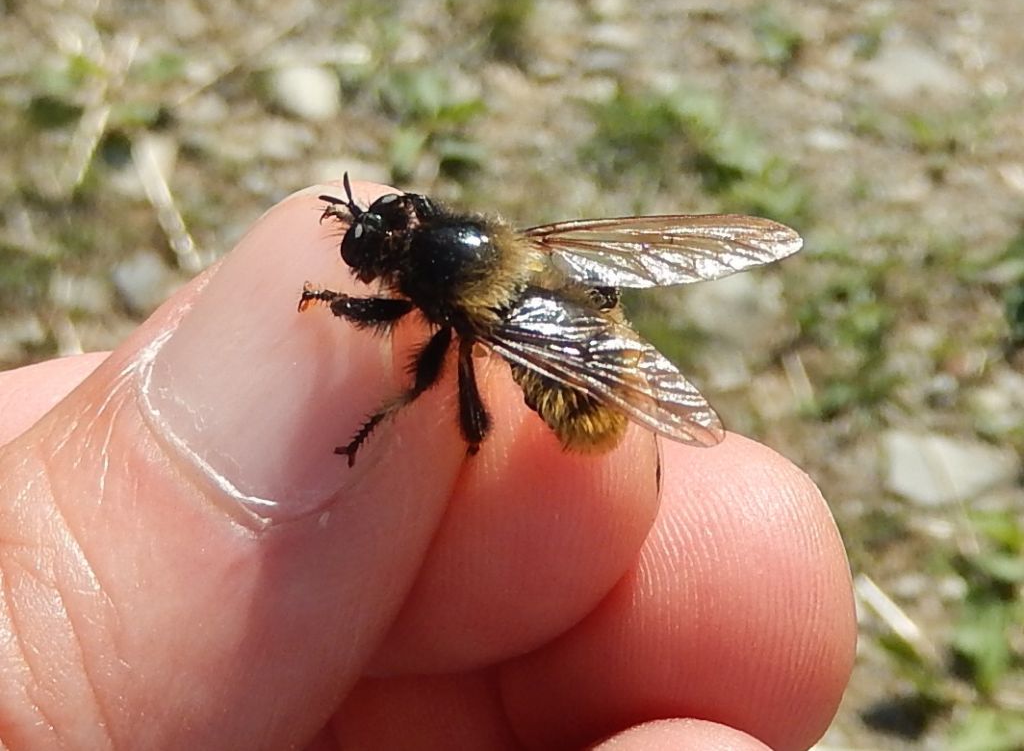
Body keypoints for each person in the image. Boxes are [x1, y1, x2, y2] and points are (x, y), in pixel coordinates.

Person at [0, 183, 855, 750]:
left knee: (455, 407)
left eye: (384, 245)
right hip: (548, 313)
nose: (371, 242)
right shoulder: (504, 246)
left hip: (577, 389)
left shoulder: (448, 300)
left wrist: (343, 323)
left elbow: (410, 353)